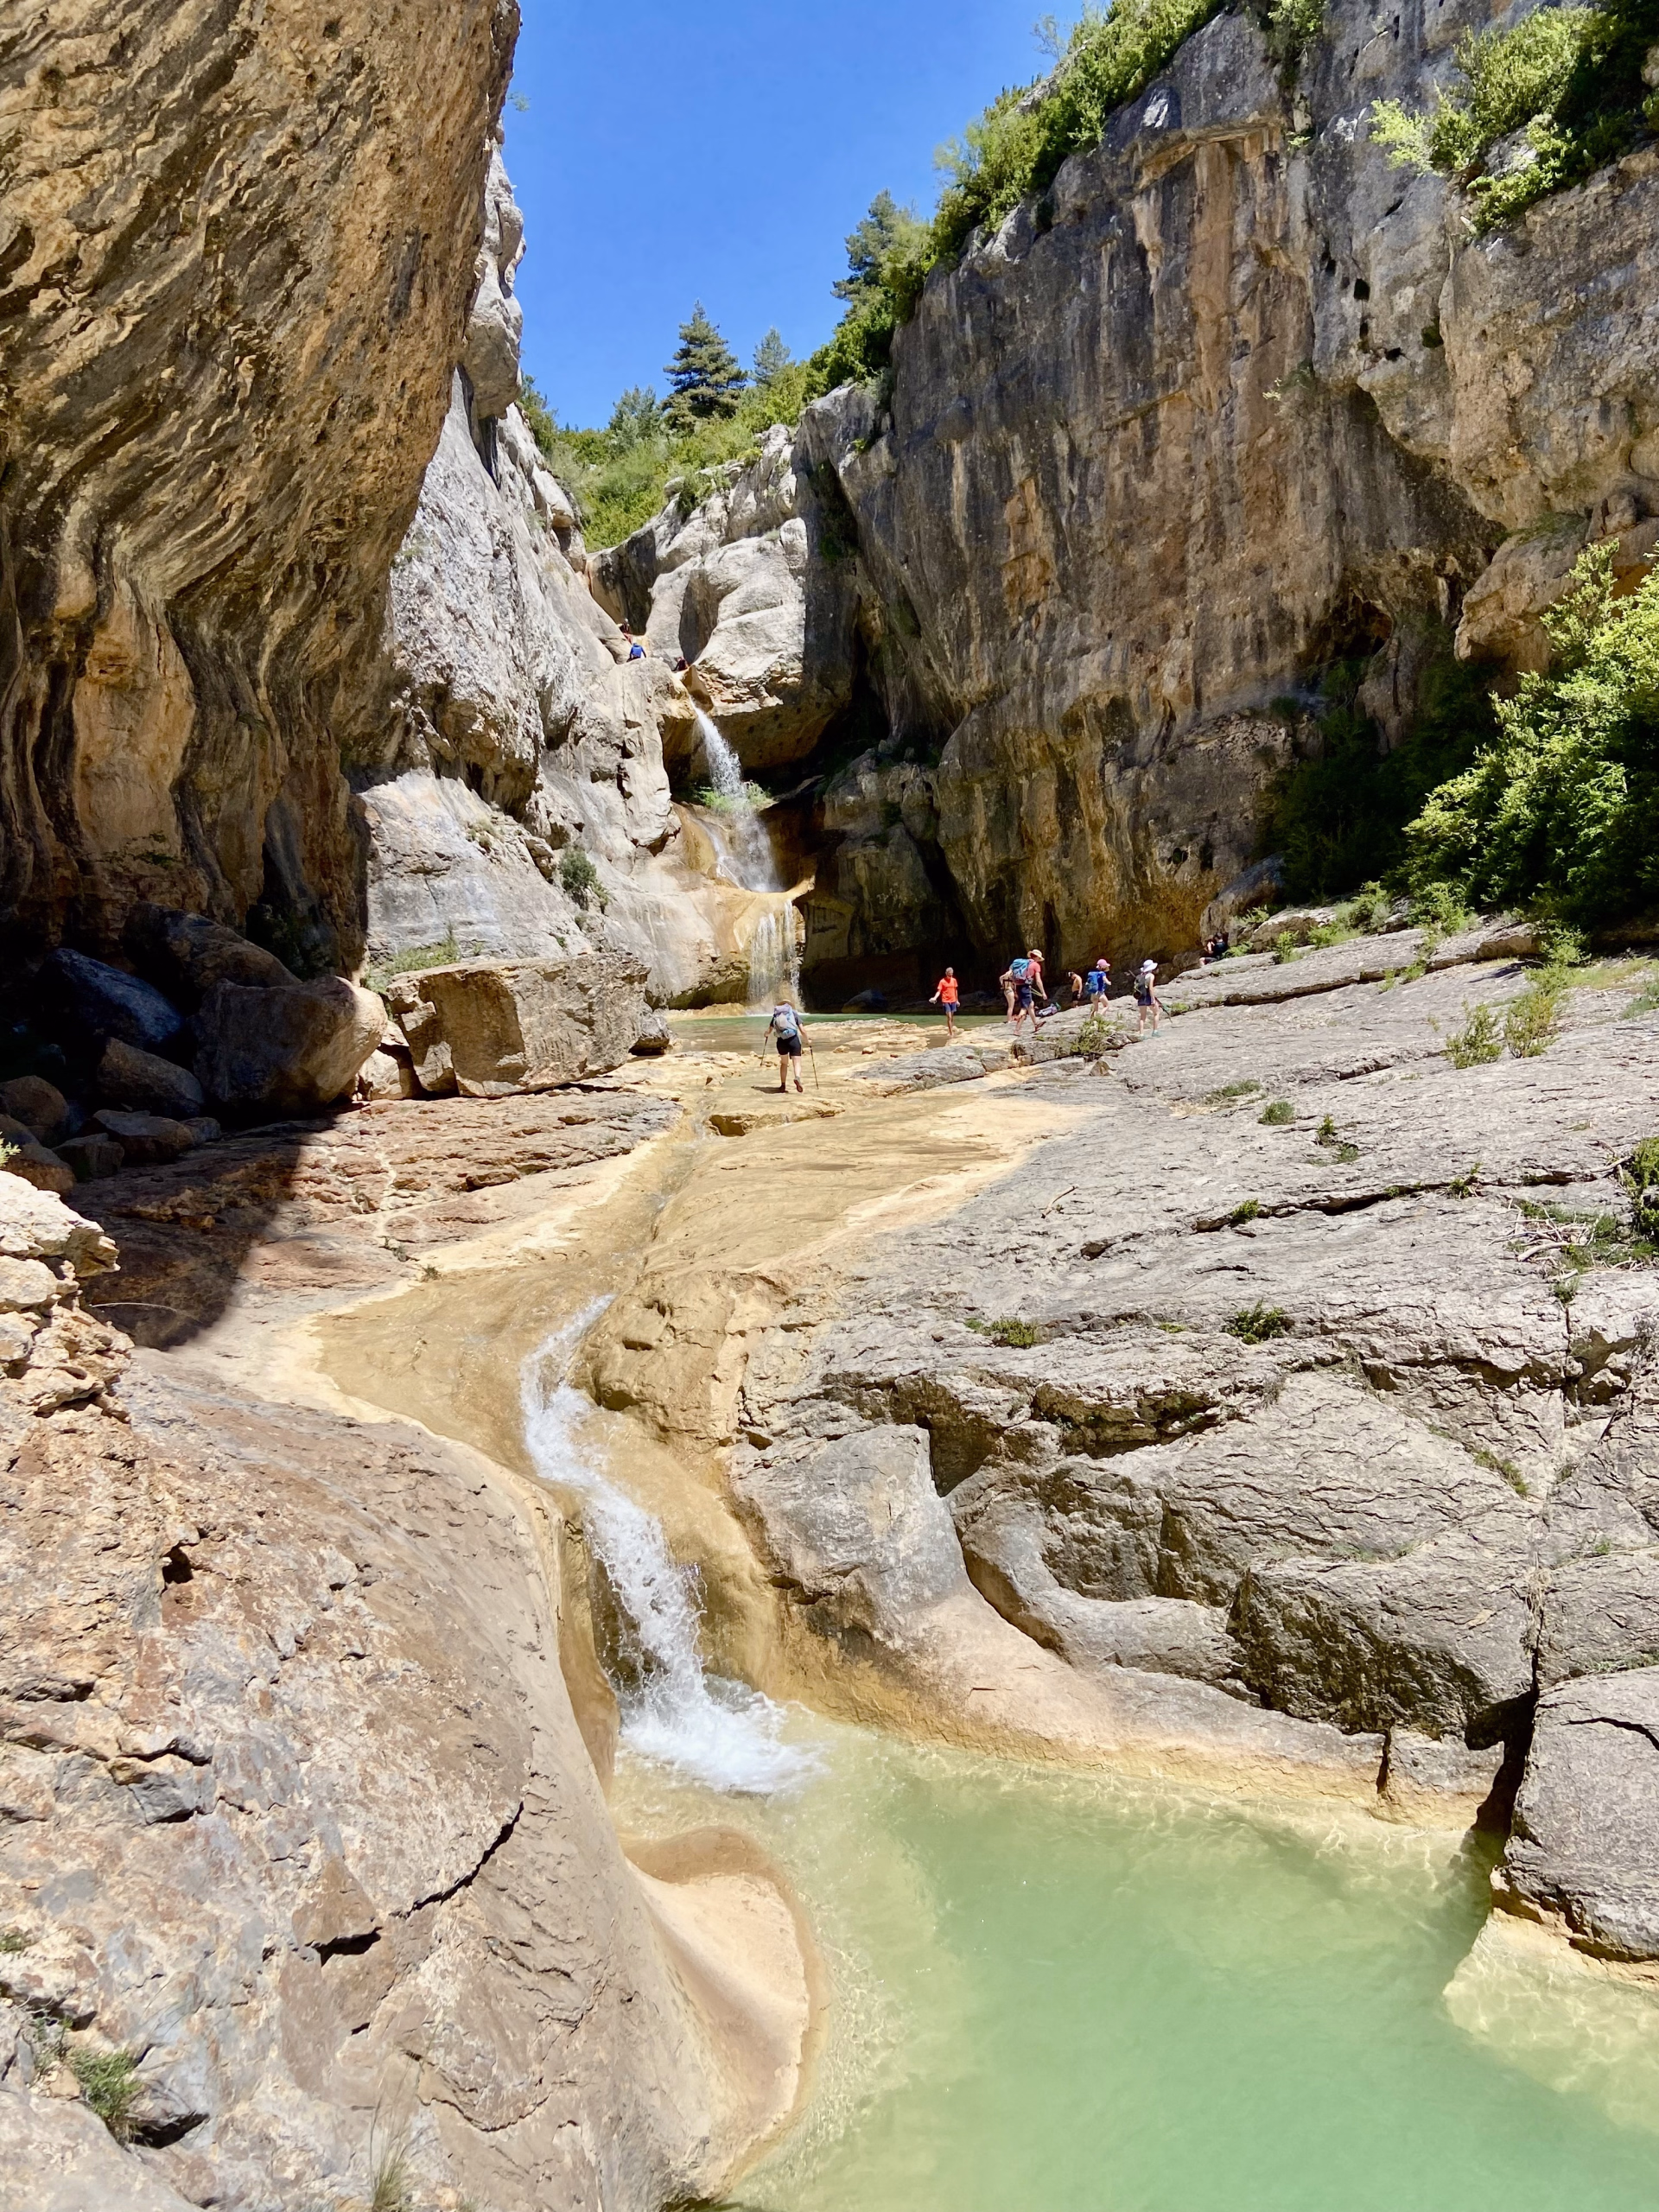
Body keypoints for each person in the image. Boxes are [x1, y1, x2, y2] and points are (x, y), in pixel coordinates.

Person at [766, 1000, 806, 1091]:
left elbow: (769, 1031)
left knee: (784, 1063)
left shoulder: (776, 1015)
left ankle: (783, 1085)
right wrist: (808, 1040)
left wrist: (766, 1035)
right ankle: (797, 1078)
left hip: (781, 1041)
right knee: (797, 1062)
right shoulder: (794, 1014)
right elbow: (802, 1030)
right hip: (794, 1040)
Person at [1001, 952, 1038, 1040]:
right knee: (1019, 1008)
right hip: (1015, 989)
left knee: (1031, 1005)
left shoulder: (1005, 975)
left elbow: (1002, 982)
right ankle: (1016, 1028)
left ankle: (1036, 1024)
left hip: (1008, 990)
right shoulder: (1032, 965)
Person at [1133, 958, 1163, 1036]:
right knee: (1156, 1013)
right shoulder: (1151, 976)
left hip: (1140, 997)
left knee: (1142, 1017)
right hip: (1148, 997)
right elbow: (1151, 989)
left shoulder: (1140, 976)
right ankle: (1155, 1031)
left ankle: (1141, 1034)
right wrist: (1153, 1000)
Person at [930, 965, 961, 1039]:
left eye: (951, 975)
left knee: (952, 1017)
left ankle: (950, 1029)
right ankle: (951, 1033)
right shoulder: (942, 981)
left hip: (953, 1000)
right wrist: (935, 998)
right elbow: (939, 991)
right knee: (949, 1017)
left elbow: (955, 990)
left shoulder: (954, 980)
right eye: (949, 975)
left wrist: (957, 1000)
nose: (950, 976)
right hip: (946, 1001)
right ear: (946, 973)